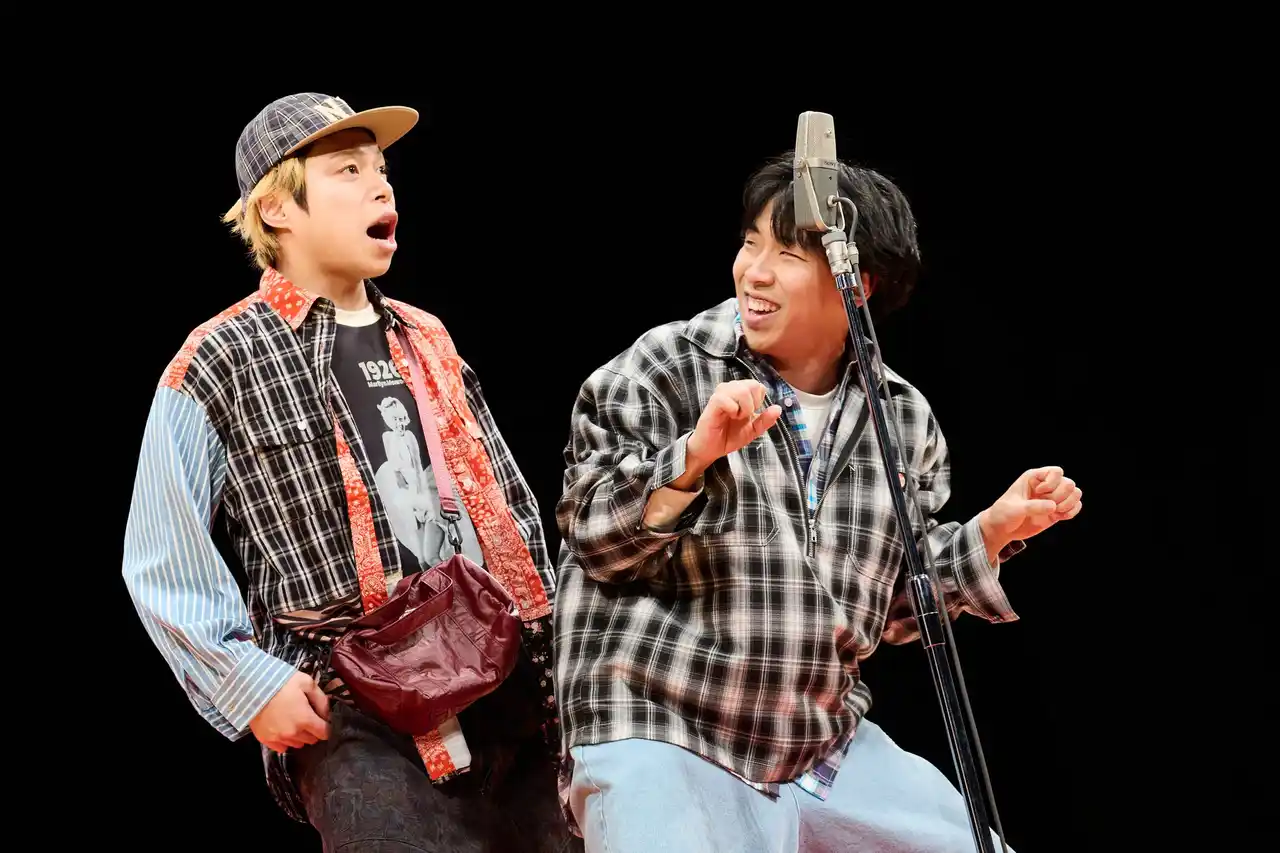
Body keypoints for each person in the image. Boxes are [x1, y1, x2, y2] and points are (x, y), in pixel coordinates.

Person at [552, 153, 1083, 852]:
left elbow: (891, 610)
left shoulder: (902, 419)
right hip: (662, 724)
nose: (755, 271)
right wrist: (692, 458)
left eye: (787, 254)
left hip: (815, 744)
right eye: (750, 243)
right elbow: (591, 536)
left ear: (857, 283)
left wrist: (987, 534)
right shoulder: (664, 366)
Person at [122, 92, 580, 852]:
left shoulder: (426, 336)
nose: (380, 187)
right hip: (356, 706)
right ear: (277, 209)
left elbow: (508, 508)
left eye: (382, 170)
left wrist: (559, 647)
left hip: (504, 686)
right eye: (348, 171)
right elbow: (161, 550)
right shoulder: (221, 358)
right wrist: (248, 683)